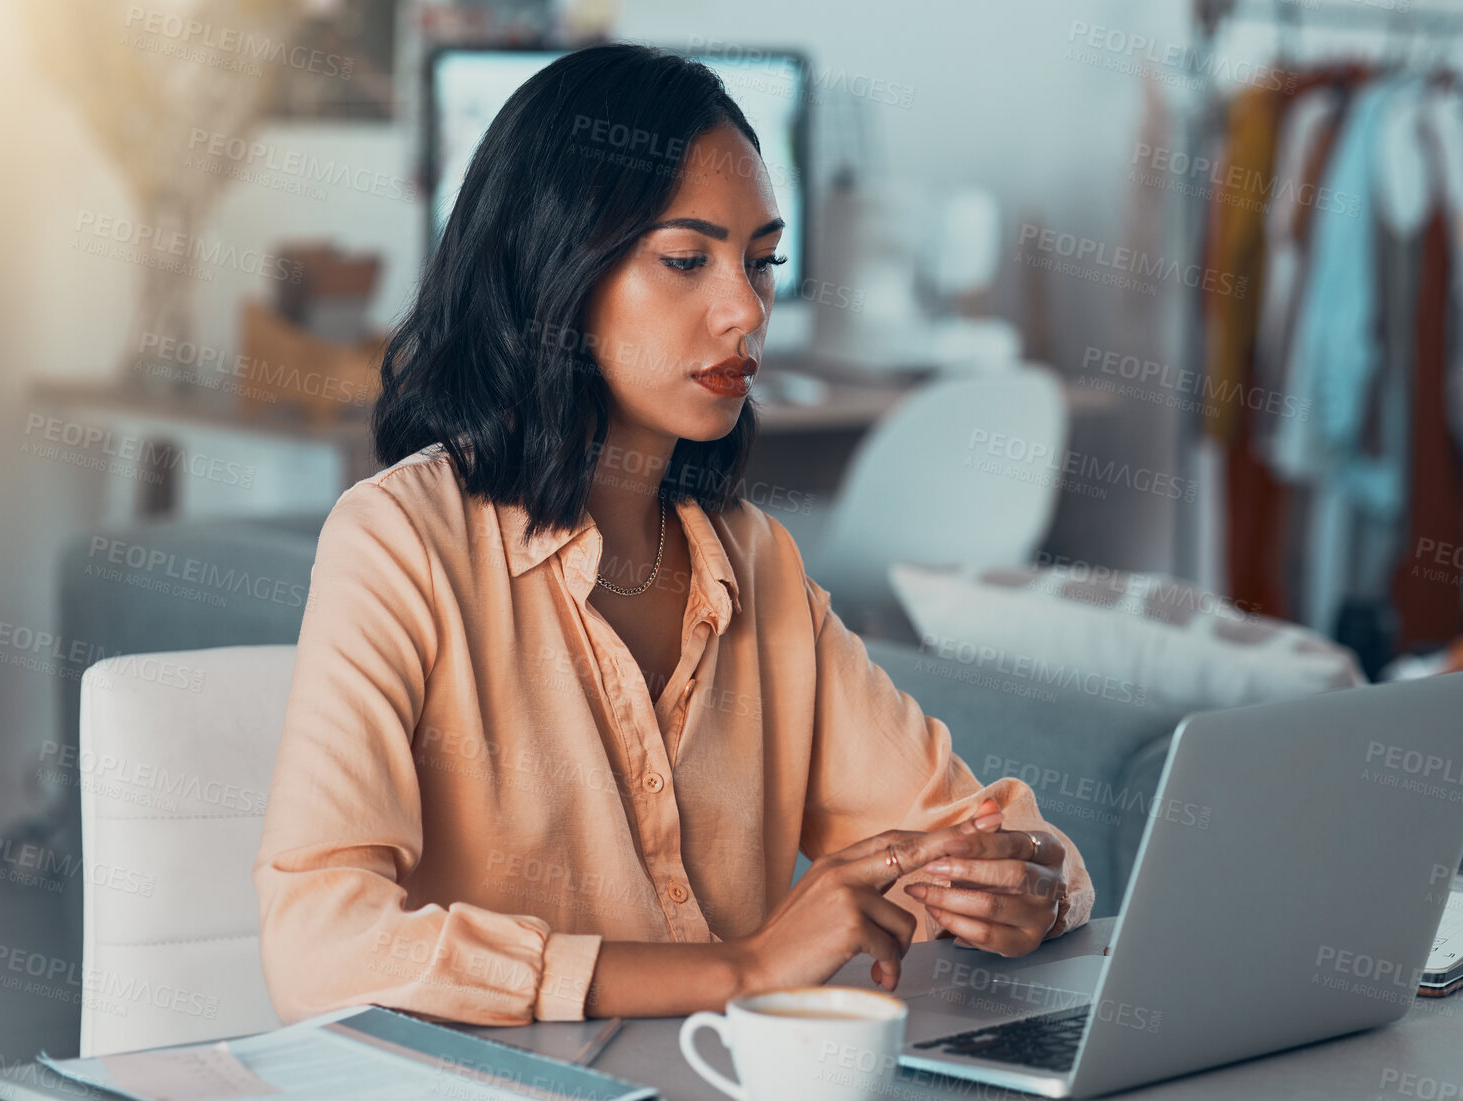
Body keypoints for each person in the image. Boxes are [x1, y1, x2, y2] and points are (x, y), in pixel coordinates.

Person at [253, 43, 1093, 1027]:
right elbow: (320, 947)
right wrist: (747, 968)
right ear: (552, 270)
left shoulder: (754, 563)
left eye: (762, 263)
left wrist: (1026, 886)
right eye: (687, 261)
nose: (745, 309)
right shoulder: (399, 542)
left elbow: (974, 826)